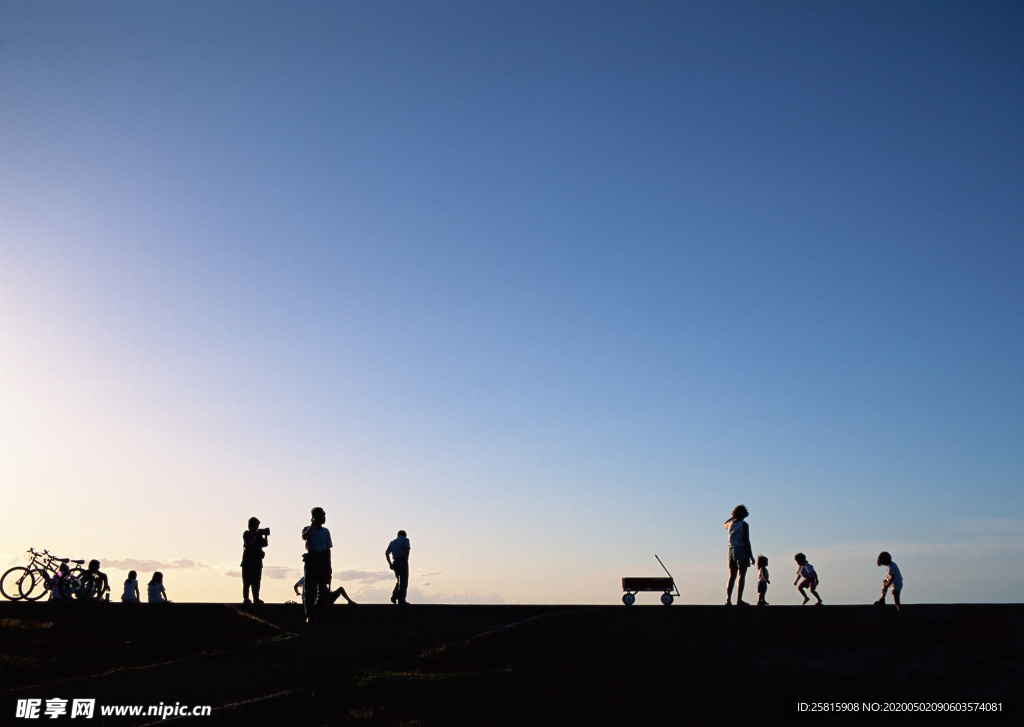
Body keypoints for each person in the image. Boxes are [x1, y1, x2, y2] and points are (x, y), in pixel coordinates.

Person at [301, 507, 332, 622]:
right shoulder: (307, 529)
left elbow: (328, 549)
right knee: (310, 589)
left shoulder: (326, 531)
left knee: (323, 590)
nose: (324, 518)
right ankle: (309, 615)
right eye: (322, 516)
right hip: (312, 559)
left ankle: (317, 612)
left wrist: (329, 566)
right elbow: (304, 537)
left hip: (322, 560)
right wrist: (312, 525)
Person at [724, 505, 754, 605]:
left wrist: (732, 517)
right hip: (741, 549)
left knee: (732, 576)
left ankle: (728, 599)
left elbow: (724, 524)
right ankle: (739, 599)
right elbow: (746, 541)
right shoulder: (744, 525)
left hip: (730, 550)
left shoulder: (730, 524)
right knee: (741, 575)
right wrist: (751, 556)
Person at [241, 517, 270, 604]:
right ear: (250, 525)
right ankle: (246, 598)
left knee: (256, 581)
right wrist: (257, 535)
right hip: (248, 561)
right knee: (247, 581)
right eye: (256, 525)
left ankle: (256, 598)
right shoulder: (247, 534)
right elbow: (248, 544)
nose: (257, 527)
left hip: (257, 562)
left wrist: (265, 535)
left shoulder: (258, 535)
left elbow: (265, 544)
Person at [385, 529, 411, 605]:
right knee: (404, 582)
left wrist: (390, 563)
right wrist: (406, 559)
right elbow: (407, 549)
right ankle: (401, 600)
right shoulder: (406, 540)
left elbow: (386, 553)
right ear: (405, 535)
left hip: (395, 562)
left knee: (399, 581)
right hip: (402, 561)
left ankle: (395, 596)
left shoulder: (392, 542)